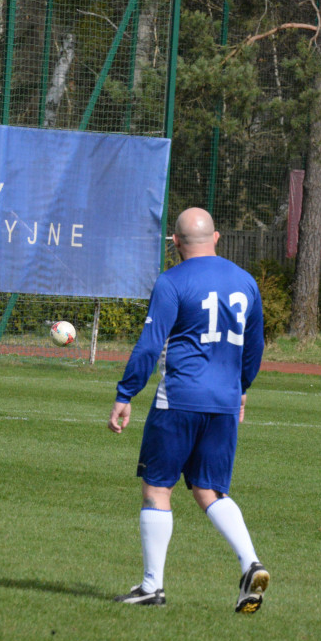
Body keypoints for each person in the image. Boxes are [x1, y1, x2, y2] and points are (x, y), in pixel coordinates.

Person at [107, 207, 268, 613]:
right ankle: (251, 561)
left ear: (175, 243)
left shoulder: (171, 281)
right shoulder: (246, 282)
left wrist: (126, 394)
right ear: (216, 238)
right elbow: (255, 347)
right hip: (224, 404)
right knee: (209, 489)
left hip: (179, 400)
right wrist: (242, 390)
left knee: (157, 488)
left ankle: (151, 586)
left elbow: (148, 346)